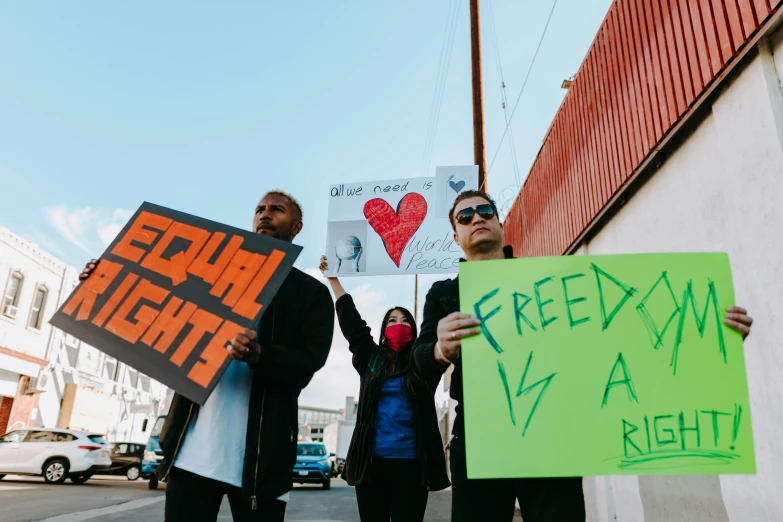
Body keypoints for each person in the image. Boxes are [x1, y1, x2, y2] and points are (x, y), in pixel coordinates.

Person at [411, 190, 755, 522]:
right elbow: (420, 362)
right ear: (456, 235)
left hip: (551, 438)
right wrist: (441, 349)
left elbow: (626, 337)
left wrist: (711, 335)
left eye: (486, 212)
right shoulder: (444, 295)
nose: (477, 219)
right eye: (465, 216)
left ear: (501, 225)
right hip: (479, 439)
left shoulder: (547, 280)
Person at [79, 191, 335, 522]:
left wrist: (259, 355)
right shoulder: (211, 276)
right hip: (190, 453)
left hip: (261, 463)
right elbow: (155, 307)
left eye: (277, 210)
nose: (265, 214)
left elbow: (307, 362)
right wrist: (100, 285)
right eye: (259, 209)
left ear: (297, 227)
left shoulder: (310, 294)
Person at [319, 255, 449, 522]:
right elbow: (353, 326)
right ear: (382, 330)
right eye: (391, 321)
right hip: (371, 465)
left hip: (412, 468)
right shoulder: (372, 359)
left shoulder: (422, 363)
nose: (397, 325)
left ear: (414, 330)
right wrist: (334, 280)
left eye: (403, 321)